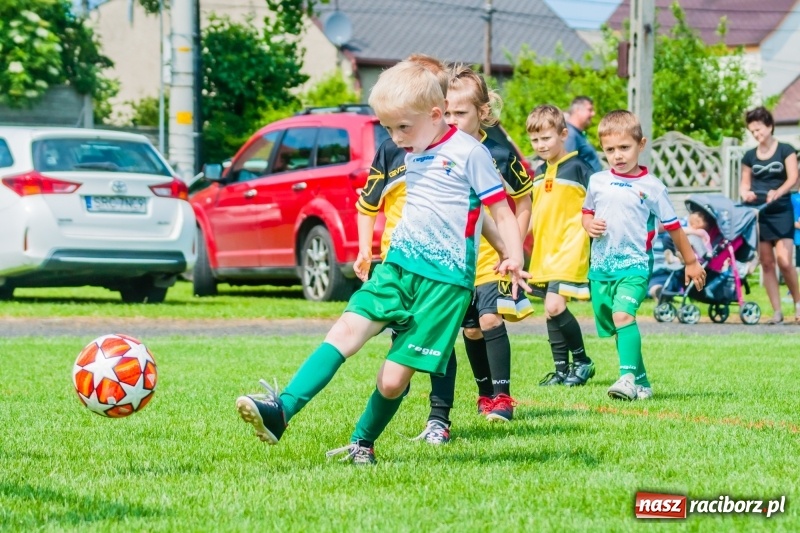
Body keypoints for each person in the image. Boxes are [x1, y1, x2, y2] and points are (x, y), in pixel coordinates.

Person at [235, 59, 529, 465]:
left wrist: (513, 255)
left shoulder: (471, 153)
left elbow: (498, 210)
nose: (395, 138)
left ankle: (363, 442)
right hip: (397, 268)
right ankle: (281, 410)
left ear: (435, 114)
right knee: (345, 330)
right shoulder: (414, 149)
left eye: (402, 127)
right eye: (388, 128)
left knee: (391, 382)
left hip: (444, 288)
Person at [582, 110, 706, 401]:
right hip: (601, 268)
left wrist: (691, 261)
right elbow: (586, 212)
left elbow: (675, 229)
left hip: (635, 265)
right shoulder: (597, 181)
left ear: (641, 144)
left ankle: (625, 379)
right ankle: (642, 382)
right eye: (610, 150)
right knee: (617, 325)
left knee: (624, 315)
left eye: (624, 147)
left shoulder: (652, 187)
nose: (618, 155)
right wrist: (589, 224)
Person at [525, 104, 595, 387]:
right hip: (545, 251)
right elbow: (532, 213)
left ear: (563, 134)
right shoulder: (540, 173)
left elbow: (598, 204)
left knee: (555, 306)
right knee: (549, 311)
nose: (541, 145)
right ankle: (561, 369)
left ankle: (582, 361)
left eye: (546, 138)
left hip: (570, 248)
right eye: (535, 140)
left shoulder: (579, 168)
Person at [740, 106, 800, 325]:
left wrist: (778, 192)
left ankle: (798, 305)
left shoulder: (786, 150)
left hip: (782, 209)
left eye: (759, 129)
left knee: (784, 261)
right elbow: (744, 185)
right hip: (760, 213)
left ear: (769, 126)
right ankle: (777, 312)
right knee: (766, 263)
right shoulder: (749, 156)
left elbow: (793, 177)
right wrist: (745, 194)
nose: (756, 134)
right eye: (753, 131)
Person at [565, 96, 603, 174]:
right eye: (590, 110)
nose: (593, 113)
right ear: (577, 110)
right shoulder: (570, 134)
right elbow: (566, 167)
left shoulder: (577, 133)